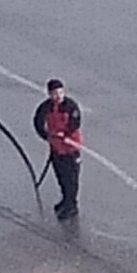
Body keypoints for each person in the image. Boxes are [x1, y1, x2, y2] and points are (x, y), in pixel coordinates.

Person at [33, 78, 83, 220]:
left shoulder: (70, 106)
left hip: (71, 148)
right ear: (49, 94)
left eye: (60, 92)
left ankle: (72, 205)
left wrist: (66, 134)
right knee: (61, 176)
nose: (58, 96)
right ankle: (65, 200)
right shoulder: (45, 108)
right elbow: (38, 122)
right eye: (55, 93)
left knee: (71, 178)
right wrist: (46, 136)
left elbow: (75, 122)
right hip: (56, 149)